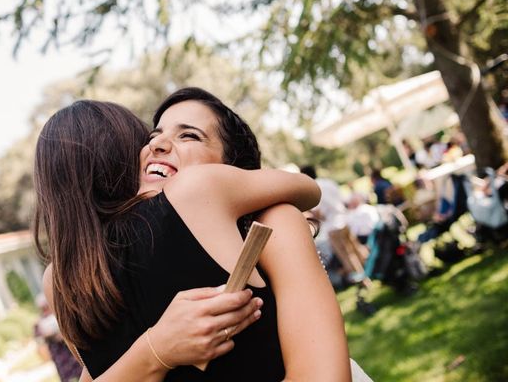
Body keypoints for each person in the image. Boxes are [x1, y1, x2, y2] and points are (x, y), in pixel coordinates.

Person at [35, 91, 353, 381]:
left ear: (231, 167)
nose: (157, 146)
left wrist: (152, 353)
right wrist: (156, 349)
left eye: (189, 135)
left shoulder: (57, 281)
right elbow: (307, 188)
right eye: (152, 136)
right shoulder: (68, 280)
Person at [34, 294, 83, 382]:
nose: (45, 309)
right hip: (59, 356)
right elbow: (39, 339)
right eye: (43, 307)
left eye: (46, 306)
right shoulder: (39, 322)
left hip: (70, 352)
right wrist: (49, 335)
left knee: (81, 373)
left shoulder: (59, 313)